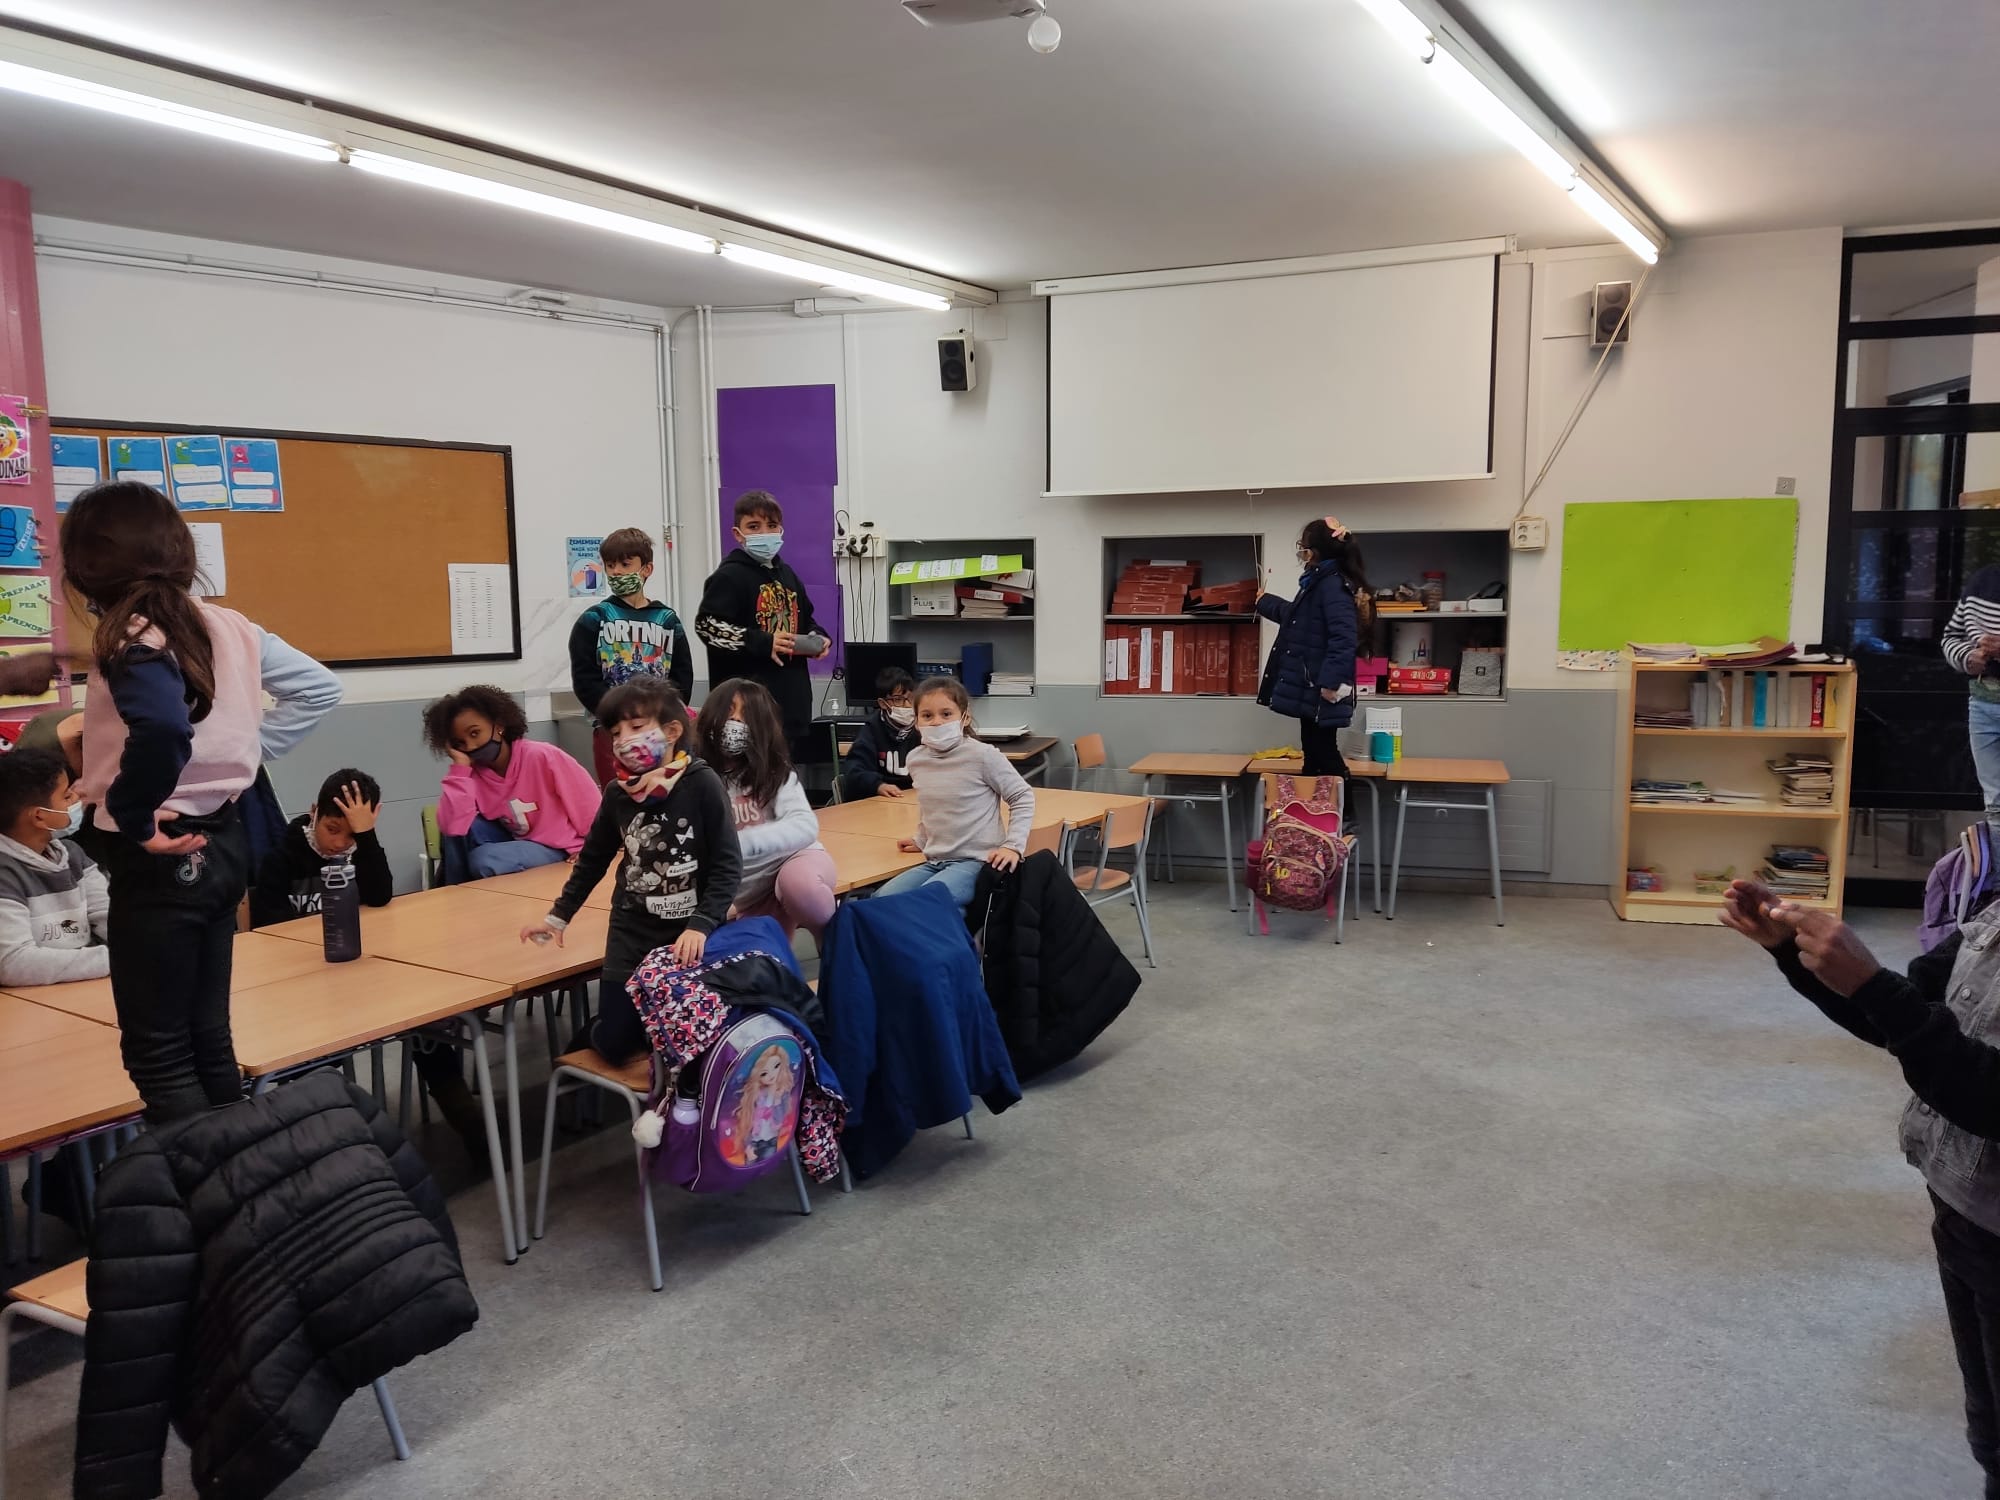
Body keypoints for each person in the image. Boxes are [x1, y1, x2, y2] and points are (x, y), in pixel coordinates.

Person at [62, 481, 341, 1121]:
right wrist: (242, 752)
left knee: (160, 1054)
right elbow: (321, 688)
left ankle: (208, 1175)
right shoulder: (231, 626)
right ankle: (235, 1169)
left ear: (83, 568)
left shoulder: (132, 636)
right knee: (208, 1038)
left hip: (160, 852)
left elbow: (163, 729)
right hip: (224, 839)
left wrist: (134, 813)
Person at [1721, 877, 2000, 1498]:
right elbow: (1912, 1015)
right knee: (1989, 1433)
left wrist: (1873, 986)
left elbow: (1986, 1094)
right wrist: (1795, 952)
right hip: (1964, 1207)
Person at [520, 678, 740, 1064]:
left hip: (686, 935)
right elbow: (592, 860)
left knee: (683, 1031)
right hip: (631, 931)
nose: (624, 740)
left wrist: (702, 924)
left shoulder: (702, 783)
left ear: (672, 731)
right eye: (616, 732)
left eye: (636, 727)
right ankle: (590, 1042)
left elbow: (727, 864)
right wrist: (557, 917)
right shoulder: (617, 794)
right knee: (619, 1040)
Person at [696, 677, 838, 944]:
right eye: (729, 711)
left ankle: (834, 942)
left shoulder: (775, 771)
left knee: (801, 886)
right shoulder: (696, 778)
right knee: (755, 960)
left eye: (747, 715)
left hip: (791, 864)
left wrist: (743, 842)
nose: (735, 721)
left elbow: (805, 826)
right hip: (745, 895)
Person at [877, 675, 1033, 909]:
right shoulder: (916, 759)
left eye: (946, 714)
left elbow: (1022, 796)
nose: (937, 722)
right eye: (927, 716)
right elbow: (932, 806)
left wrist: (1012, 846)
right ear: (916, 721)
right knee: (880, 901)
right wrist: (922, 839)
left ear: (964, 716)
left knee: (927, 903)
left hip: (977, 861)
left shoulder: (983, 756)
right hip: (936, 860)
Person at [696, 490, 830, 753]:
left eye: (771, 525)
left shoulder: (788, 575)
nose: (764, 533)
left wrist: (818, 638)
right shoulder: (728, 577)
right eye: (754, 526)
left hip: (790, 708)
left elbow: (806, 620)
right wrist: (764, 642)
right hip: (745, 712)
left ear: (781, 530)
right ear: (738, 534)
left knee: (785, 776)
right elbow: (708, 627)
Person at [423, 684, 601, 880]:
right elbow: (452, 827)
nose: (470, 746)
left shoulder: (541, 756)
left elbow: (586, 803)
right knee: (465, 828)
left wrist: (592, 848)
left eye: (474, 733)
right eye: (460, 743)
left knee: (485, 860)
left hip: (559, 848)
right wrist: (460, 768)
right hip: (516, 841)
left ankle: (462, 891)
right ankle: (454, 890)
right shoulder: (470, 774)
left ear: (499, 725)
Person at [567, 526, 693, 784]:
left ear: (646, 569)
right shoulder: (594, 619)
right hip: (612, 729)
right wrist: (613, 714)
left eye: (625, 564)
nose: (616, 571)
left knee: (664, 789)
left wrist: (668, 712)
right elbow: (584, 677)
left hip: (658, 728)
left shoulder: (667, 619)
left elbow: (682, 674)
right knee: (620, 793)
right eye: (610, 565)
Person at [1256, 516, 1370, 781]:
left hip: (1323, 688)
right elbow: (1297, 617)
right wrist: (1265, 602)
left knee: (1325, 755)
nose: (1301, 551)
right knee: (1313, 754)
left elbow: (1344, 638)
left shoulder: (1332, 585)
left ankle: (1344, 807)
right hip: (1313, 686)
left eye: (1302, 546)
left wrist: (1331, 683)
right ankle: (1314, 805)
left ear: (1313, 551)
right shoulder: (1318, 582)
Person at [0, 747, 108, 985]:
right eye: (67, 796)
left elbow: (112, 920)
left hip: (82, 986)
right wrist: (120, 959)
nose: (78, 797)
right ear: (39, 816)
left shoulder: (72, 854)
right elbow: (13, 963)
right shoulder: (5, 873)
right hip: (29, 1000)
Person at [248, 768, 393, 927]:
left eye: (353, 834)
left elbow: (380, 898)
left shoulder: (362, 852)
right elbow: (272, 925)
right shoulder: (280, 860)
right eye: (332, 829)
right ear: (314, 812)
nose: (339, 843)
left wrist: (366, 836)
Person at [1943, 567, 2000, 823]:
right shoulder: (1983, 581)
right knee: (1995, 803)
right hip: (1984, 702)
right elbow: (1951, 637)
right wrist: (1967, 657)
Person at [839, 664, 920, 801]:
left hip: (915, 798)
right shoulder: (872, 729)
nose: (907, 705)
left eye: (911, 698)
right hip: (882, 798)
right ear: (883, 703)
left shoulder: (922, 725)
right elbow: (854, 770)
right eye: (898, 699)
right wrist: (877, 786)